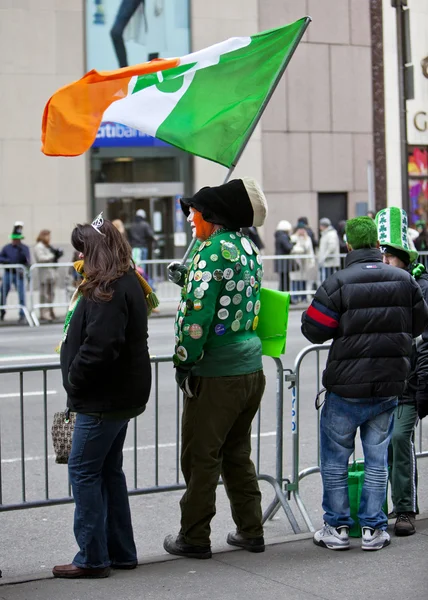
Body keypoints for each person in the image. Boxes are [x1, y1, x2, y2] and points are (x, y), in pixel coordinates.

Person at [301, 216, 428, 551]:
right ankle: (373, 528)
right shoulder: (404, 281)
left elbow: (314, 329)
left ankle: (337, 527)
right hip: (388, 387)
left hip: (345, 388)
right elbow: (418, 323)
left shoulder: (338, 282)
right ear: (377, 244)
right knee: (376, 458)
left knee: (335, 459)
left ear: (348, 245)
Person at [164, 178, 268, 559]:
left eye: (194, 211)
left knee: (201, 455)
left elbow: (197, 317)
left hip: (217, 371)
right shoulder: (246, 247)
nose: (190, 218)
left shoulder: (210, 252)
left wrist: (183, 361)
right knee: (237, 451)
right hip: (250, 369)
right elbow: (229, 292)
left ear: (211, 215)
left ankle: (193, 536)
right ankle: (250, 529)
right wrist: (188, 274)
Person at [53, 214, 158, 579]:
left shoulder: (107, 287)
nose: (76, 258)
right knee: (109, 471)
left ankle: (93, 558)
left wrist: (74, 381)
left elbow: (100, 347)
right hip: (117, 396)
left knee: (84, 472)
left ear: (93, 250)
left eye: (80, 250)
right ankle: (121, 551)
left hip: (102, 398)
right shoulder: (126, 279)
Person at [376, 207, 428, 536]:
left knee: (399, 438)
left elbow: (421, 339)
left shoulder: (420, 285)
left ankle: (406, 508)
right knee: (390, 445)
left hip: (410, 382)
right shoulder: (385, 282)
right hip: (389, 381)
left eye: (389, 257)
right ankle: (399, 504)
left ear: (403, 258)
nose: (384, 263)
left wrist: (422, 385)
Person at [0, 223, 31, 324]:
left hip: (19, 274)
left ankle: (22, 314)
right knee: (3, 293)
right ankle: (2, 311)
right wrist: (7, 261)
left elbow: (27, 260)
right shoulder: (6, 248)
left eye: (16, 239)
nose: (15, 241)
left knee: (21, 294)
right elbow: (1, 257)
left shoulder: (24, 248)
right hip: (9, 273)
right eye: (13, 239)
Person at [34, 229, 64, 322]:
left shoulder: (48, 246)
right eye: (48, 236)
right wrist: (52, 256)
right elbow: (41, 258)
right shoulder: (39, 246)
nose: (49, 238)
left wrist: (57, 254)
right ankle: (44, 313)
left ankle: (51, 311)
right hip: (44, 274)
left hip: (52, 274)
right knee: (45, 295)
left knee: (51, 294)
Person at [289, 222, 316, 303]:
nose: (302, 231)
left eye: (303, 229)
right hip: (296, 262)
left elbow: (310, 250)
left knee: (303, 279)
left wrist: (312, 260)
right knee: (295, 279)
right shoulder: (293, 238)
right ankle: (295, 297)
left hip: (305, 262)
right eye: (300, 229)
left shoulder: (307, 239)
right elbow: (292, 249)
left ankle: (303, 297)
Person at [274, 220, 294, 292]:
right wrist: (293, 244)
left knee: (283, 281)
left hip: (281, 262)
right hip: (284, 262)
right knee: (285, 281)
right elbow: (288, 247)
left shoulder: (278, 235)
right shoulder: (283, 236)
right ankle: (286, 297)